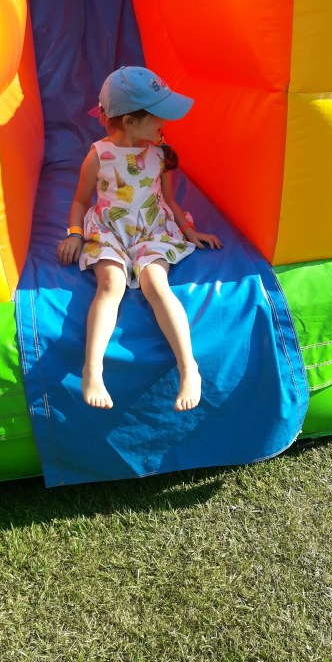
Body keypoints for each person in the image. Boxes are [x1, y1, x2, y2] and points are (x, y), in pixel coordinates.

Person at [57, 66, 222, 412]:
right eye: (158, 114)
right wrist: (75, 234)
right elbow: (80, 201)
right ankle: (93, 370)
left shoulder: (160, 155)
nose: (165, 121)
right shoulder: (99, 155)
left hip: (151, 230)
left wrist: (189, 232)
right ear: (130, 121)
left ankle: (188, 368)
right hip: (110, 232)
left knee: (155, 284)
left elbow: (169, 201)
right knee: (110, 285)